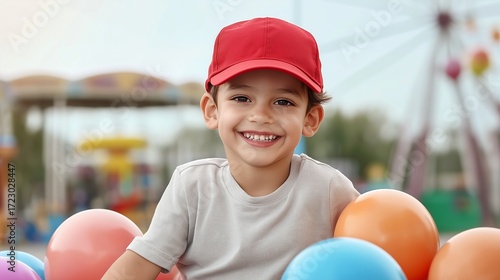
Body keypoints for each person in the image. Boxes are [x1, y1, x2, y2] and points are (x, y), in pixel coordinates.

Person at [102, 17, 360, 280]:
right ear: (212, 111)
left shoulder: (329, 190)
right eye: (241, 98)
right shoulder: (192, 188)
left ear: (310, 119)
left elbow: (371, 259)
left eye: (283, 101)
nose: (261, 115)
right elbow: (135, 268)